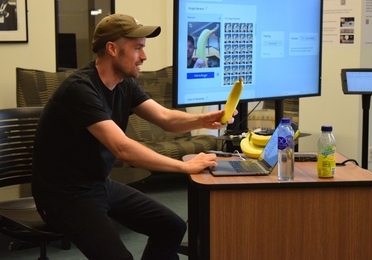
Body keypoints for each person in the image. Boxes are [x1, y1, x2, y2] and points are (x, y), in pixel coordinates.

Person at [32, 14, 236, 260]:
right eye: (138, 48)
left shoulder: (124, 83)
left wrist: (203, 120)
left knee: (172, 227)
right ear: (112, 49)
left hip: (98, 184)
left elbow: (165, 119)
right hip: (63, 196)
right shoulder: (80, 90)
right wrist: (184, 166)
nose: (144, 56)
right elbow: (123, 149)